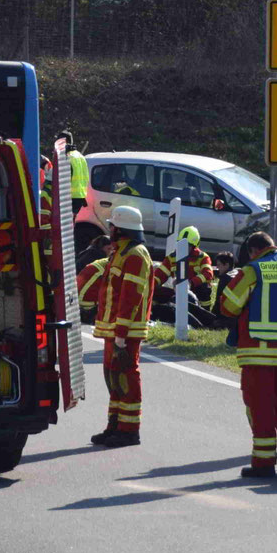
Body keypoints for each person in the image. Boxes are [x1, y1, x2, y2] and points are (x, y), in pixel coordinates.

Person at [217, 231, 277, 479]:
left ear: (253, 251)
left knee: (261, 409)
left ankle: (264, 463)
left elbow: (229, 305)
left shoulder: (252, 270)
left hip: (257, 353)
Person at [89, 203, 157, 446]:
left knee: (127, 376)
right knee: (114, 377)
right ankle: (115, 426)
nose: (110, 229)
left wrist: (121, 334)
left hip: (126, 331)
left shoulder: (136, 255)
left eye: (112, 226)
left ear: (121, 228)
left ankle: (129, 430)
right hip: (113, 329)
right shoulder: (120, 252)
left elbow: (131, 297)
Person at [157, 225, 216, 314]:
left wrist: (190, 283)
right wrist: (150, 285)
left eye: (186, 245)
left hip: (195, 290)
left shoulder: (203, 257)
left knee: (205, 287)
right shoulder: (171, 258)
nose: (182, 248)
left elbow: (208, 274)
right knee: (157, 291)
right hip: (176, 291)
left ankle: (204, 313)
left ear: (194, 246)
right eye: (180, 244)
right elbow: (159, 275)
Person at [61, 131, 90, 208]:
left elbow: (64, 180)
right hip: (80, 196)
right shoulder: (80, 156)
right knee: (72, 219)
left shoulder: (67, 156)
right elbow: (86, 177)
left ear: (65, 141)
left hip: (69, 197)